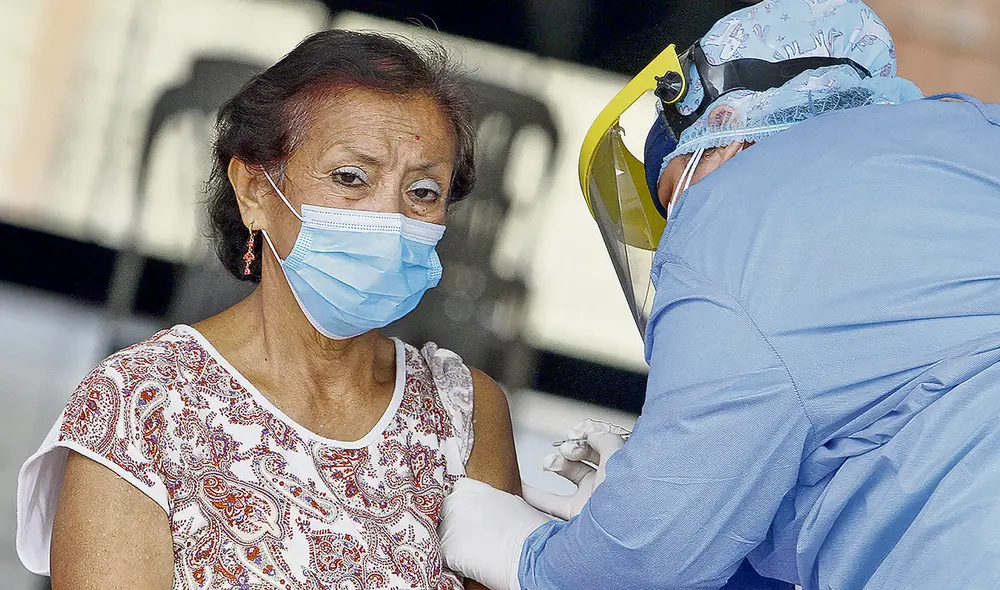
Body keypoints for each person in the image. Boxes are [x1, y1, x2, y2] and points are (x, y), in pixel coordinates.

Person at [438, 1, 1000, 588]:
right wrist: (670, 506)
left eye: (676, 192)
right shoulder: (974, 138)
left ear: (727, 131)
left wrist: (533, 556)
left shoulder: (742, 217)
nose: (678, 228)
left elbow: (640, 563)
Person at [16, 30, 519, 590]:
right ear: (255, 189)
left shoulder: (465, 412)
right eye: (350, 177)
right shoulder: (140, 406)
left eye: (424, 191)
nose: (389, 216)